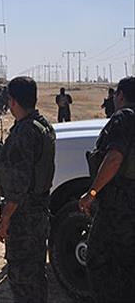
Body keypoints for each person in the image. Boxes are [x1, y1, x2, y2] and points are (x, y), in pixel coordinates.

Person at [0, 77, 55, 303]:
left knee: (22, 279)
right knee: (36, 276)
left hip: (24, 219)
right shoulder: (42, 126)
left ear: (13, 101)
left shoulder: (25, 133)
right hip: (38, 213)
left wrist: (5, 219)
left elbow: (19, 184)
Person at [79, 76, 135, 302]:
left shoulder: (124, 117)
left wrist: (91, 193)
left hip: (119, 207)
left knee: (101, 262)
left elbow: (114, 158)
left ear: (120, 95)